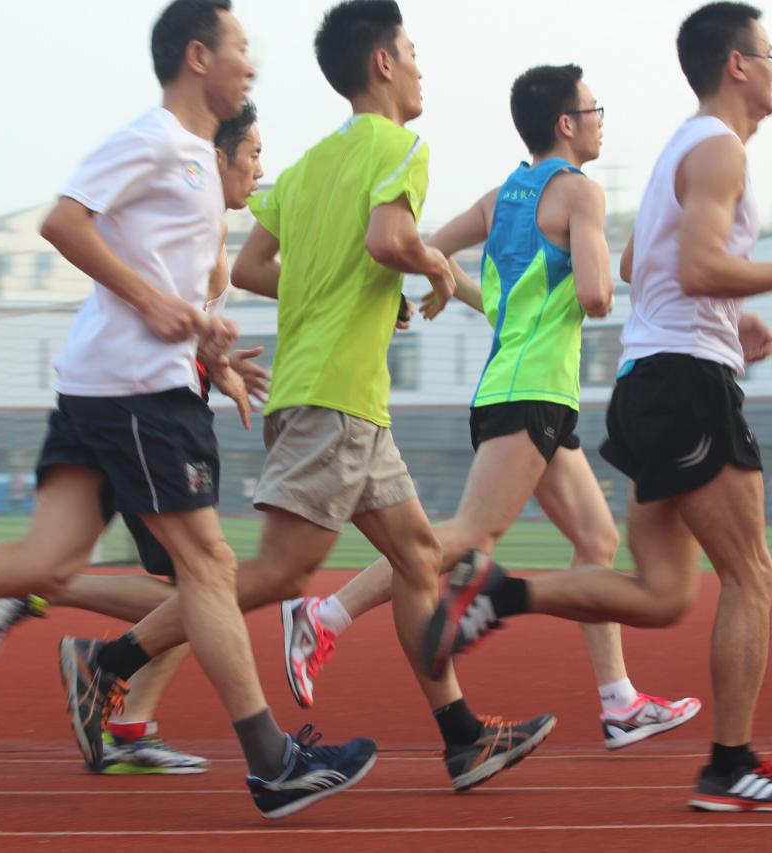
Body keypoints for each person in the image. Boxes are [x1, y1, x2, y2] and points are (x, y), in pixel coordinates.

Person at [0, 0, 376, 821]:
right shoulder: (153, 140)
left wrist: (208, 346)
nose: (253, 61)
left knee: (45, 557)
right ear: (198, 56)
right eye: (242, 47)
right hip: (136, 394)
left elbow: (162, 283)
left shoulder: (192, 170)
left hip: (115, 384)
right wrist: (158, 307)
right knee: (208, 568)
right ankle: (273, 760)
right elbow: (61, 222)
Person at [65, 0, 554, 795]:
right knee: (273, 574)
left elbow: (256, 265)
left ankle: (463, 738)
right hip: (333, 397)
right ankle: (107, 662)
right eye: (414, 51)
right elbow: (387, 241)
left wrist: (343, 296)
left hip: (342, 396)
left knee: (418, 555)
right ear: (383, 64)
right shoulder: (403, 146)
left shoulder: (307, 167)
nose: (423, 67)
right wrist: (429, 268)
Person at [420, 2, 772, 812]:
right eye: (770, 55)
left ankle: (500, 594)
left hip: (651, 379)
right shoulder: (719, 149)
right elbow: (691, 265)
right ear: (737, 66)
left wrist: (734, 312)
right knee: (752, 574)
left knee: (662, 591)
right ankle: (730, 764)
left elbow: (636, 259)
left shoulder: (679, 151)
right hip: (689, 383)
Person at [280, 63, 700, 751]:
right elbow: (595, 296)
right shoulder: (581, 194)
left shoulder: (503, 195)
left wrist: (447, 284)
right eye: (595, 109)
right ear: (566, 124)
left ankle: (619, 700)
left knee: (596, 540)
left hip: (527, 392)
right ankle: (325, 614)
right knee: (468, 535)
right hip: (528, 391)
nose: (601, 120)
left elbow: (433, 251)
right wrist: (618, 260)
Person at [0, 101, 269, 777]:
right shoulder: (178, 206)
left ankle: (125, 717)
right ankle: (54, 595)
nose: (259, 168)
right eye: (251, 153)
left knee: (194, 587)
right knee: (204, 586)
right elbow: (144, 303)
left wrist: (220, 366)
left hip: (158, 408)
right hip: (139, 410)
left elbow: (190, 325)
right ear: (215, 157)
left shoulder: (208, 232)